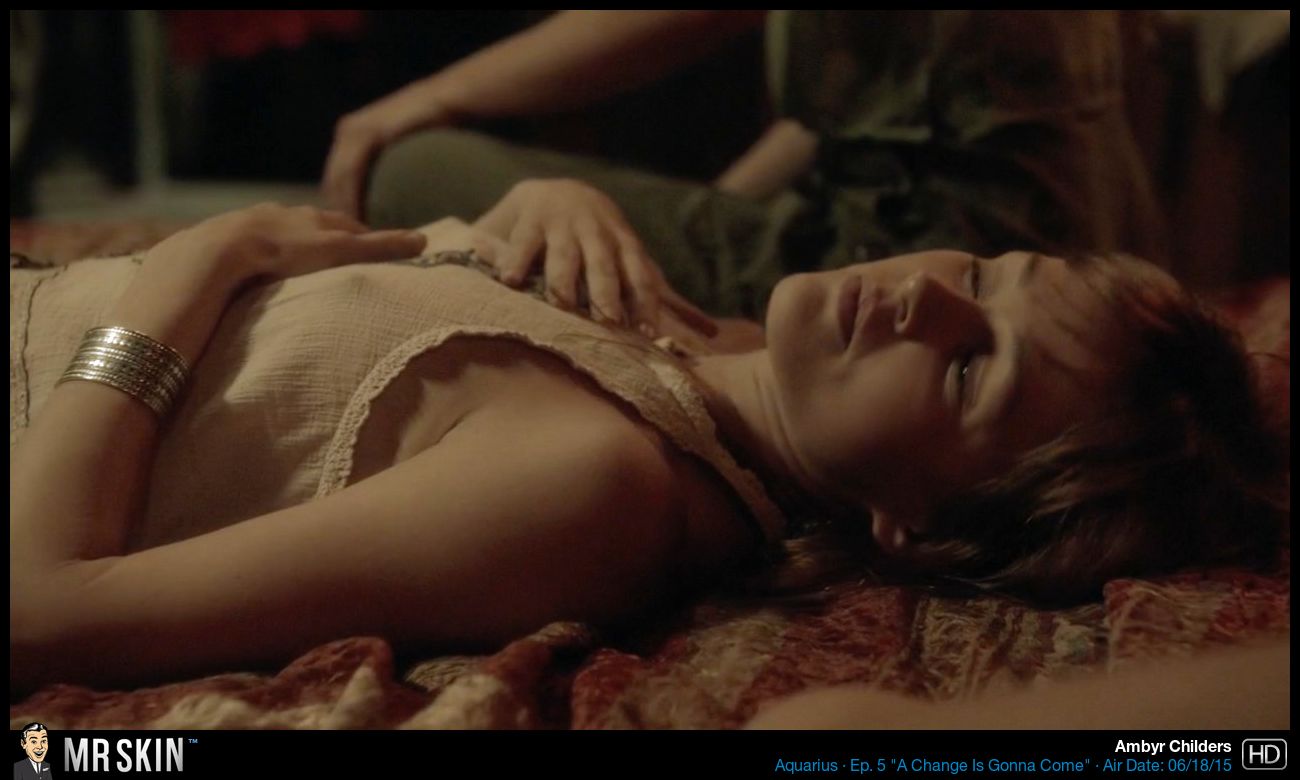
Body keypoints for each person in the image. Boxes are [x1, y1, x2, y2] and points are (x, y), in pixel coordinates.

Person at [9, 186, 1284, 695]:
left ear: (917, 527)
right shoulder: (689, 354)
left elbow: (44, 610)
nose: (922, 296)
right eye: (988, 274)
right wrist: (529, 207)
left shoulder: (596, 487)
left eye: (967, 368)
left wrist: (194, 266)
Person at [323, 11, 1166, 332]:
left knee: (408, 167)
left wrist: (434, 95)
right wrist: (704, 212)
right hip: (1071, 228)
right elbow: (838, 129)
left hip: (943, 249)